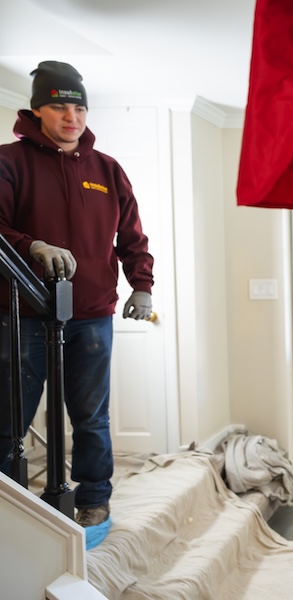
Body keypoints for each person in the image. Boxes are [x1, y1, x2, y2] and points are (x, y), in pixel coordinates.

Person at [0, 61, 154, 549]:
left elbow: (131, 235)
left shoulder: (106, 170)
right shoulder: (9, 162)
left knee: (91, 417)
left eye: (79, 106)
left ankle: (93, 499)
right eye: (60, 105)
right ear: (37, 109)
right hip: (22, 313)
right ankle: (9, 507)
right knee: (9, 418)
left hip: (90, 315)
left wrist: (142, 284)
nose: (72, 115)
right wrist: (33, 247)